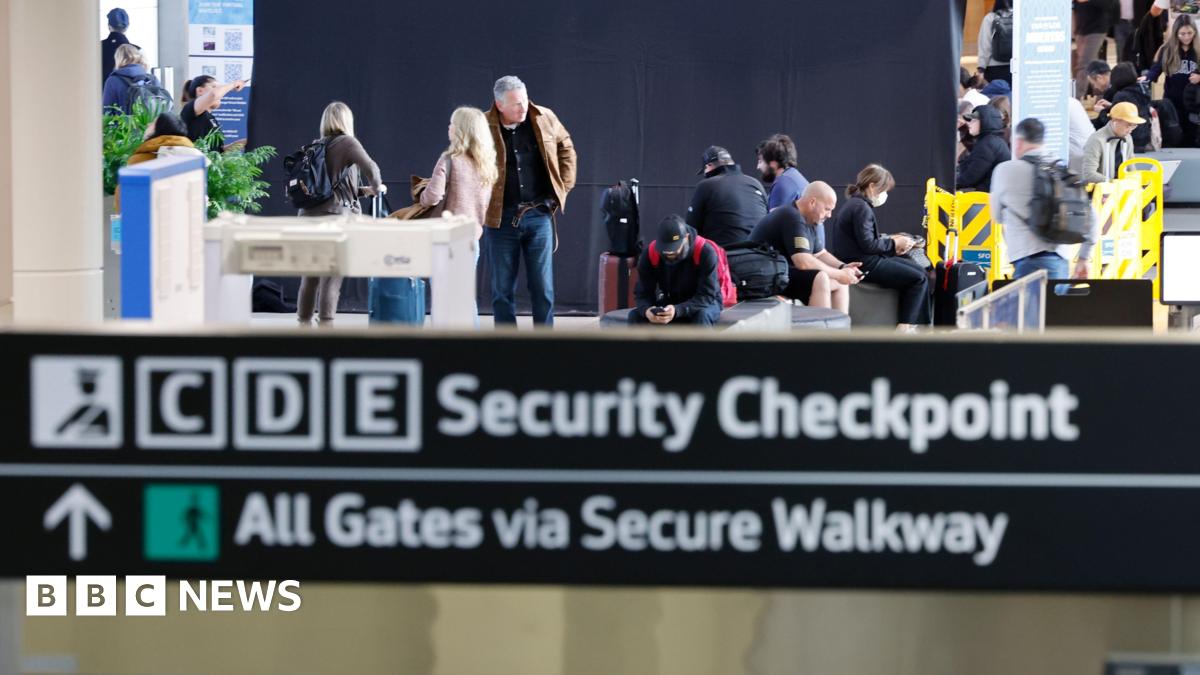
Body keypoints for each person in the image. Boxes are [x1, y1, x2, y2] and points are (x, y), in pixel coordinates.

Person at [484, 75, 577, 327]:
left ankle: (543, 345)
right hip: (499, 219)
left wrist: (562, 189)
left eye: (524, 101)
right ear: (499, 104)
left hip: (539, 215)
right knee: (502, 290)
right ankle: (507, 346)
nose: (523, 108)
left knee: (543, 289)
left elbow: (566, 146)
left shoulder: (544, 117)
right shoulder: (483, 126)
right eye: (515, 104)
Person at [295, 101, 385, 327]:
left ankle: (303, 323)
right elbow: (372, 168)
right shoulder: (347, 142)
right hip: (335, 220)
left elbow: (334, 188)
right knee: (332, 276)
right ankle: (326, 325)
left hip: (308, 217)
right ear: (347, 120)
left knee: (310, 276)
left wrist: (367, 191)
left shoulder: (317, 145)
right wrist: (377, 186)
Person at [418, 106, 498, 321]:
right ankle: (472, 347)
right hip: (472, 238)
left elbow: (432, 196)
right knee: (464, 298)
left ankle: (440, 349)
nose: (449, 127)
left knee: (442, 300)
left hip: (446, 239)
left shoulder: (449, 159)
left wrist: (421, 196)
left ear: (461, 129)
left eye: (452, 123)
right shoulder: (487, 165)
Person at [991, 118, 1097, 279]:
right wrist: (1083, 257)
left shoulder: (1005, 171)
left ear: (1018, 142)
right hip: (1060, 259)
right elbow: (1092, 218)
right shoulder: (1061, 171)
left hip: (1025, 259)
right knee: (1055, 304)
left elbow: (997, 216)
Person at [831, 164, 931, 329]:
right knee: (919, 278)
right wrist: (894, 243)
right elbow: (869, 244)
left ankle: (917, 324)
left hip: (864, 258)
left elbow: (866, 240)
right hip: (865, 263)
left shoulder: (855, 205)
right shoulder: (861, 208)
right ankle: (906, 327)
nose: (885, 195)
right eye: (884, 190)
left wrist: (891, 241)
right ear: (872, 186)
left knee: (919, 271)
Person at [748, 181, 861, 312]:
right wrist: (839, 273)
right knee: (821, 277)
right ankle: (819, 329)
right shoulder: (791, 217)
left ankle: (839, 331)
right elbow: (803, 262)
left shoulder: (807, 220)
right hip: (763, 276)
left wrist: (844, 267)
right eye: (827, 209)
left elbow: (820, 254)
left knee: (841, 282)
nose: (829, 215)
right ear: (812, 202)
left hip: (779, 272)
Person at [631, 215, 722, 326]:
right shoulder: (650, 254)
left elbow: (707, 295)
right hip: (672, 301)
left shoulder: (705, 252)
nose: (669, 253)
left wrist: (678, 310)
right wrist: (647, 310)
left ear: (686, 238)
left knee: (702, 316)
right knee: (635, 316)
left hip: (705, 302)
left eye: (673, 248)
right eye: (665, 249)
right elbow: (642, 293)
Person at [114, 112, 204, 211]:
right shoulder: (194, 156)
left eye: (153, 123)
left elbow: (126, 199)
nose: (148, 125)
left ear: (160, 128)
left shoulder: (141, 159)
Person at [685, 145, 768, 247]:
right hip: (762, 255)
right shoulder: (756, 184)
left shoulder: (706, 185)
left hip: (726, 256)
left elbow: (691, 230)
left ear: (708, 166)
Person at [1145, 15, 1200, 146]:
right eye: (1182, 34)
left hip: (1194, 103)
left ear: (1195, 32)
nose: (1186, 37)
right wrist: (1147, 78)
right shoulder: (1167, 50)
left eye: (1189, 33)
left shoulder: (1198, 50)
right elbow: (1156, 69)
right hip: (1172, 102)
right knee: (1174, 135)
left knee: (1192, 137)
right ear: (1176, 33)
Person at [759, 134, 819, 248]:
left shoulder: (783, 183)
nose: (758, 167)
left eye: (761, 161)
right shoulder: (798, 179)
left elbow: (773, 230)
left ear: (773, 163)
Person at [1081, 101, 1145, 185]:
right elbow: (1088, 174)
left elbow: (1131, 166)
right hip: (1102, 191)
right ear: (1115, 120)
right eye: (1128, 125)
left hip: (1122, 188)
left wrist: (1136, 181)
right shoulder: (1096, 140)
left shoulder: (1127, 138)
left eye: (1134, 125)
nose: (1131, 129)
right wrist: (1114, 182)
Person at [179, 75, 247, 153]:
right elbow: (214, 94)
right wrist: (234, 84)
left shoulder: (211, 119)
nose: (221, 94)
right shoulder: (190, 108)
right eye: (214, 87)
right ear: (200, 91)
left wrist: (242, 143)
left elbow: (219, 152)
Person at [956, 105, 1011, 192]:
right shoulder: (991, 141)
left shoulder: (988, 144)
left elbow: (970, 177)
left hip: (985, 199)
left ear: (985, 122)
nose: (969, 123)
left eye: (974, 120)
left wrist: (948, 184)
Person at [1073, 0, 1118, 97]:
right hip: (1081, 28)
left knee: (1084, 64)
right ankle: (1102, 94)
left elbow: (1108, 4)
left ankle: (1076, 97)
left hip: (1096, 29)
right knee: (1090, 64)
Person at [1108, 62, 1155, 150]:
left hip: (1130, 139)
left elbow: (1114, 121)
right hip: (1145, 137)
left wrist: (1102, 111)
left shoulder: (1121, 96)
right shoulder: (1142, 91)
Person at [102, 44, 159, 114]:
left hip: (125, 124)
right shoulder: (151, 79)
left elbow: (107, 112)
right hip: (151, 124)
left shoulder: (112, 81)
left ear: (118, 59)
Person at [977, 0, 1014, 85]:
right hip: (1015, 67)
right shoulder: (1020, 17)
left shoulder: (990, 18)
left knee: (996, 97)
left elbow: (985, 46)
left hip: (994, 68)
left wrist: (981, 68)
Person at [101, 8, 135, 88]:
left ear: (109, 26)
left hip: (99, 97)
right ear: (127, 26)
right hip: (130, 99)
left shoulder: (97, 48)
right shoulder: (137, 51)